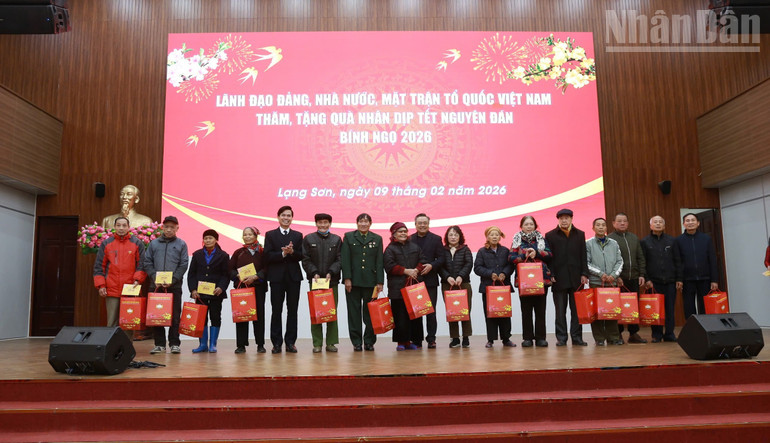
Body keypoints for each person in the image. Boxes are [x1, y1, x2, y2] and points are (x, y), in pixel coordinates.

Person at [92, 216, 146, 339]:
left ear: (129, 227)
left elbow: (142, 264)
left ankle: (127, 348)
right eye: (118, 225)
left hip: (130, 289)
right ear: (114, 227)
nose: (121, 228)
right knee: (111, 322)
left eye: (124, 225)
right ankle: (110, 347)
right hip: (111, 289)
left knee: (128, 322)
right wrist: (101, 285)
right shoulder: (106, 243)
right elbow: (99, 266)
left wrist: (137, 280)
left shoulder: (137, 243)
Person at [143, 215, 189, 354]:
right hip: (156, 286)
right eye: (166, 227)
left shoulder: (181, 244)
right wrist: (154, 277)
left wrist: (173, 280)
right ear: (162, 228)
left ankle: (174, 343)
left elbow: (183, 264)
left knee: (175, 316)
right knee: (157, 315)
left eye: (172, 227)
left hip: (174, 286)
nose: (169, 230)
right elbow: (147, 262)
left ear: (177, 228)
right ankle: (159, 344)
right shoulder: (154, 244)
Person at [545, 208, 589, 347]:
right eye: (561, 218)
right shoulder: (550, 235)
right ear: (558, 220)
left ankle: (577, 337)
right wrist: (551, 274)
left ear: (571, 219)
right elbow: (549, 258)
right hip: (558, 278)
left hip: (576, 278)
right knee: (560, 311)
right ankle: (561, 338)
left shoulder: (580, 234)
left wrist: (584, 273)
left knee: (577, 311)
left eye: (567, 218)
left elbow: (583, 255)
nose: (564, 220)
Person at [341, 213, 384, 352]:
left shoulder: (377, 238)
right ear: (357, 223)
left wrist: (380, 282)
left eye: (366, 221)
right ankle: (356, 342)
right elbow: (345, 259)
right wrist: (347, 278)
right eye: (361, 221)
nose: (363, 224)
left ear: (370, 223)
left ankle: (369, 341)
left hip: (371, 282)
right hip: (353, 282)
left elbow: (379, 261)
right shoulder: (348, 237)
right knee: (354, 313)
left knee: (371, 313)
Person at [264, 206, 304, 354]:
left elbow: (301, 256)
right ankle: (276, 343)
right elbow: (267, 256)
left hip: (293, 278)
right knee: (276, 310)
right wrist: (282, 254)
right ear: (278, 217)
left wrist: (292, 252)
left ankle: (290, 342)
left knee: (292, 310)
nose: (286, 218)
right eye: (283, 215)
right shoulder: (270, 235)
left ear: (292, 218)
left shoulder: (298, 235)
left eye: (288, 215)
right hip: (276, 278)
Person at [302, 213, 342, 353]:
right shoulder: (308, 239)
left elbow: (340, 259)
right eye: (320, 222)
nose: (323, 225)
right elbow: (305, 259)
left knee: (331, 312)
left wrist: (331, 272)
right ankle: (317, 343)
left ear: (330, 224)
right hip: (316, 281)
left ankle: (331, 343)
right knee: (316, 312)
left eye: (326, 222)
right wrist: (314, 272)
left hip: (332, 281)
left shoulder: (337, 239)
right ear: (316, 224)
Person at [509, 215, 552, 348]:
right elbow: (511, 258)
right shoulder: (516, 240)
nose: (529, 226)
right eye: (526, 224)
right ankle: (527, 338)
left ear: (535, 226)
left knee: (540, 310)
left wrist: (537, 253)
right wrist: (524, 255)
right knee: (526, 310)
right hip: (524, 281)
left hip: (541, 280)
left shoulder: (541, 239)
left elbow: (549, 255)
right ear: (521, 226)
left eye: (531, 224)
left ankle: (541, 338)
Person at [384, 222, 427, 351]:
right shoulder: (390, 249)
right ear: (394, 234)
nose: (403, 233)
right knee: (400, 316)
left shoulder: (414, 246)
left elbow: (423, 260)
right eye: (400, 231)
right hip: (397, 288)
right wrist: (405, 271)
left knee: (415, 316)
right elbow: (389, 266)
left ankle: (415, 341)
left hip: (414, 287)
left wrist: (416, 270)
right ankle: (401, 342)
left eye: (405, 231)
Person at [187, 229, 230, 353]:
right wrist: (193, 289)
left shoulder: (223, 255)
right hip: (200, 294)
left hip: (216, 293)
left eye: (210, 238)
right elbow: (191, 274)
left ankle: (213, 344)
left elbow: (226, 275)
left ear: (216, 240)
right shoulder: (197, 254)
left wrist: (221, 287)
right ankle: (202, 344)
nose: (208, 240)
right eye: (205, 238)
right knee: (201, 318)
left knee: (215, 317)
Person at [608, 212, 647, 344]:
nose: (622, 223)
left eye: (624, 221)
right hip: (619, 280)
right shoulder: (610, 239)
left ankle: (633, 333)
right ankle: (617, 334)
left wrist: (641, 274)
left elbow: (640, 257)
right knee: (617, 306)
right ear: (613, 223)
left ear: (628, 223)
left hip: (634, 277)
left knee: (633, 307)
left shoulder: (634, 238)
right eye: (619, 221)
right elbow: (610, 261)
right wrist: (616, 276)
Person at [641, 216, 682, 342]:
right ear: (651, 226)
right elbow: (643, 262)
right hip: (653, 282)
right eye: (655, 222)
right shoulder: (645, 242)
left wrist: (679, 279)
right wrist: (647, 279)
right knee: (655, 309)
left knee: (670, 309)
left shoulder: (672, 240)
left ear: (664, 226)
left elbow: (678, 260)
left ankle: (669, 334)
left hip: (670, 281)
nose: (658, 224)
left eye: (660, 222)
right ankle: (656, 335)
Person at [474, 226, 515, 348]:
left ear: (500, 237)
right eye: (492, 235)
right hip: (488, 288)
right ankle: (490, 339)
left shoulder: (505, 251)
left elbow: (510, 265)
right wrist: (490, 273)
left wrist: (504, 273)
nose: (494, 237)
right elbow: (477, 268)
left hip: (503, 287)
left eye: (496, 234)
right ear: (487, 237)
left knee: (504, 313)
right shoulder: (482, 251)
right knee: (490, 314)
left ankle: (506, 339)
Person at [229, 226, 268, 354]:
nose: (247, 237)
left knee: (259, 316)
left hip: (258, 288)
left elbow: (267, 268)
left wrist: (256, 277)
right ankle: (241, 345)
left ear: (256, 236)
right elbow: (229, 269)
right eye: (245, 234)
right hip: (242, 289)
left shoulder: (263, 252)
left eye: (250, 234)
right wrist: (237, 275)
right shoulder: (238, 253)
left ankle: (260, 344)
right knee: (241, 316)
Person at [586, 218, 624, 346]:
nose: (601, 227)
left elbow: (620, 261)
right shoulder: (588, 243)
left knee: (611, 311)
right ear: (593, 228)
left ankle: (613, 337)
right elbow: (587, 263)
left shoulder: (614, 243)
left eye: (603, 225)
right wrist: (600, 274)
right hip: (596, 282)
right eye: (598, 225)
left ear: (606, 228)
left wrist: (613, 275)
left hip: (611, 283)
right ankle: (599, 338)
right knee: (597, 312)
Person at [410, 213, 445, 348]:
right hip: (415, 280)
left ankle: (431, 339)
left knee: (431, 311)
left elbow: (441, 258)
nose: (422, 225)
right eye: (420, 223)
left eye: (425, 223)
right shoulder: (410, 239)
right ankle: (417, 339)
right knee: (416, 312)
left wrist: (432, 265)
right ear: (415, 224)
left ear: (428, 224)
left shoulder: (436, 239)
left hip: (430, 281)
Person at [675, 213, 719, 319]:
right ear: (684, 224)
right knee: (689, 306)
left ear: (698, 223)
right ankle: (692, 327)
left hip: (705, 278)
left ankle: (705, 327)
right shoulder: (678, 240)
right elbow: (677, 261)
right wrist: (679, 279)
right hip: (687, 279)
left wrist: (714, 280)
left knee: (705, 306)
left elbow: (712, 260)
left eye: (693, 220)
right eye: (687, 220)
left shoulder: (706, 238)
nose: (690, 222)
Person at [439, 225, 474, 348]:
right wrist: (447, 277)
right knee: (452, 311)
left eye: (455, 235)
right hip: (447, 284)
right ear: (447, 237)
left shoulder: (465, 249)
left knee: (465, 310)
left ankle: (466, 337)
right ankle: (455, 338)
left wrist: (460, 276)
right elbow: (440, 266)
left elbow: (469, 264)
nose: (453, 237)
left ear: (460, 237)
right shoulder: (442, 250)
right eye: (451, 235)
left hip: (463, 283)